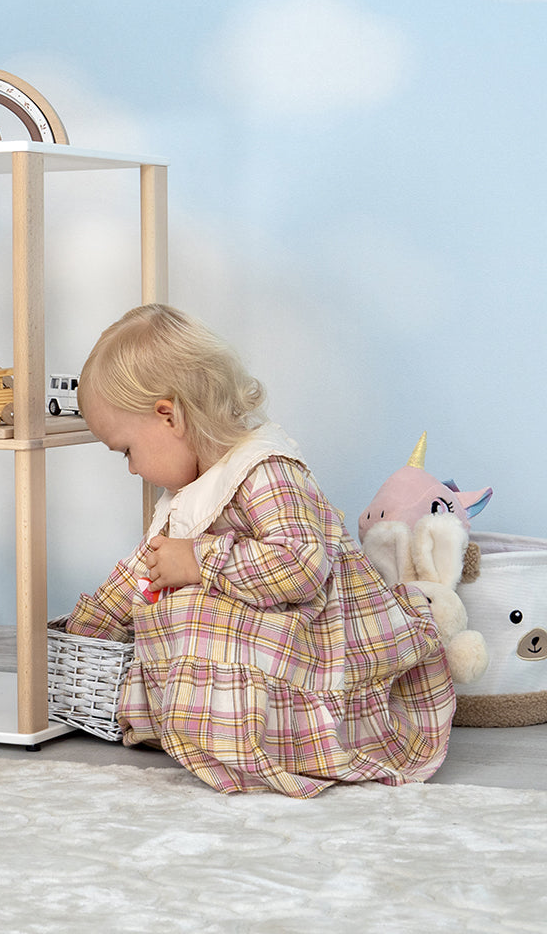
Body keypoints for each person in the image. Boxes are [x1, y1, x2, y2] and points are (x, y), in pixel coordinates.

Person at [66, 304, 455, 798]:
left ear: (169, 415)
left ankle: (272, 735)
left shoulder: (265, 469)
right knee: (175, 602)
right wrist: (90, 625)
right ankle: (212, 724)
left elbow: (302, 566)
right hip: (270, 619)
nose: (131, 469)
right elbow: (147, 572)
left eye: (126, 450)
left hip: (322, 639)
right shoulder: (189, 493)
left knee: (195, 610)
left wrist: (200, 559)